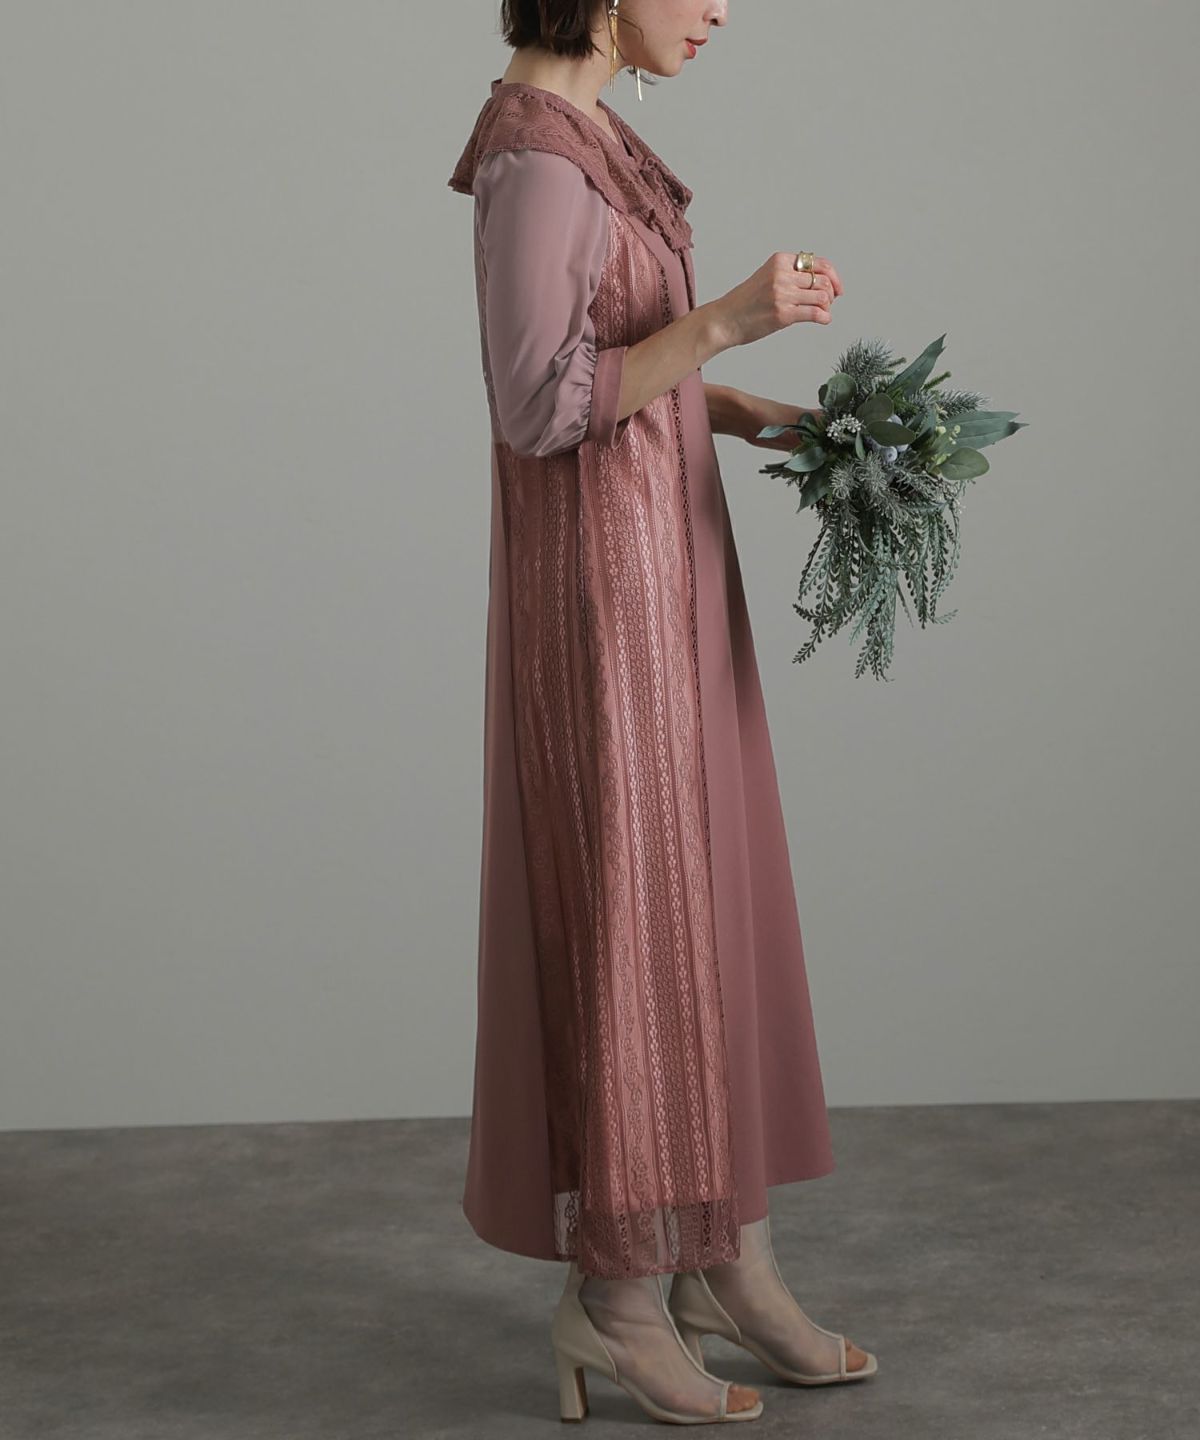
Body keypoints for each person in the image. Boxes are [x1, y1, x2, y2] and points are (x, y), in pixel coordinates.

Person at [447, 0, 877, 1424]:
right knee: (635, 922)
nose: (720, 8)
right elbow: (538, 405)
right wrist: (731, 315)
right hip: (604, 600)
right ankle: (618, 1298)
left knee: (697, 909)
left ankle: (724, 1263)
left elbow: (622, 356)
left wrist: (745, 409)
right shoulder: (536, 159)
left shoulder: (587, 138)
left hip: (662, 568)